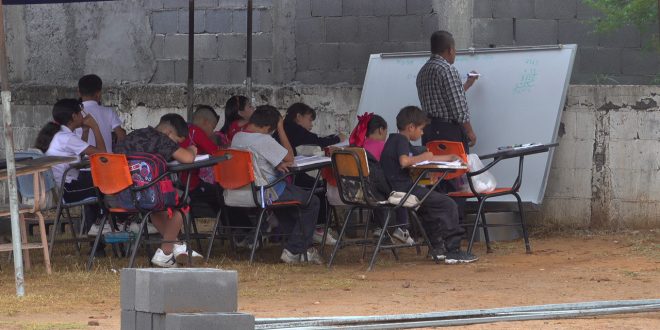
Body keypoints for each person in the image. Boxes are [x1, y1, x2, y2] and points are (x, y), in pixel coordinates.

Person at [380, 106, 478, 264]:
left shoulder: (394, 140)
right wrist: (423, 157)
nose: (422, 133)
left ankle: (437, 248)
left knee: (428, 208)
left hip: (398, 189)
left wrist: (449, 157)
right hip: (404, 190)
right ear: (411, 127)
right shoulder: (400, 141)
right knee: (448, 204)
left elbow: (426, 157)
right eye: (421, 129)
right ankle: (453, 250)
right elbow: (405, 161)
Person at [231, 105, 323, 264]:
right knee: (312, 201)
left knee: (288, 208)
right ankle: (294, 251)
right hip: (266, 192)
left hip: (241, 191)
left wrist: (276, 163)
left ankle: (303, 249)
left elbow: (258, 161)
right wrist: (281, 127)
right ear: (268, 127)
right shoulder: (263, 139)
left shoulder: (238, 137)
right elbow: (290, 158)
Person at [115, 113, 202, 268]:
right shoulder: (161, 139)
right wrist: (192, 150)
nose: (175, 145)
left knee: (157, 209)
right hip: (148, 195)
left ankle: (179, 247)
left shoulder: (131, 137)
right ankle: (166, 252)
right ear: (169, 133)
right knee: (183, 203)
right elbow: (187, 158)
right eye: (176, 141)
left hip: (122, 196)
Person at [34, 99, 106, 240]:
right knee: (105, 186)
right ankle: (101, 225)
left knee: (94, 181)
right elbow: (103, 154)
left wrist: (85, 131)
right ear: (74, 116)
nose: (83, 116)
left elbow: (77, 153)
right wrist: (96, 127)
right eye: (81, 113)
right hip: (65, 191)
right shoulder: (66, 137)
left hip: (56, 188)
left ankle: (96, 228)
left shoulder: (57, 134)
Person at [276, 102, 346, 245]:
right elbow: (317, 140)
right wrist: (339, 138)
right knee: (320, 187)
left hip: (284, 174)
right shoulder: (293, 128)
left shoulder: (285, 128)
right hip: (288, 176)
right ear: (299, 116)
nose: (311, 124)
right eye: (310, 120)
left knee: (316, 184)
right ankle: (319, 229)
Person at [350, 113, 413, 245]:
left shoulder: (357, 147)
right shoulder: (383, 146)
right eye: (386, 131)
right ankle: (402, 227)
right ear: (381, 130)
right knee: (399, 189)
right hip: (378, 192)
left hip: (359, 192)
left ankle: (380, 227)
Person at [416, 30, 478, 151]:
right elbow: (458, 110)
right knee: (454, 168)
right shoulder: (447, 70)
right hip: (448, 132)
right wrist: (470, 132)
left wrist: (467, 84)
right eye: (455, 50)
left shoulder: (422, 71)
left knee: (434, 168)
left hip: (428, 131)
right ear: (450, 49)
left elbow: (445, 98)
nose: (455, 53)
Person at [180, 105, 222, 215]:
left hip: (178, 183)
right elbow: (216, 152)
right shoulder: (196, 131)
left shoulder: (184, 129)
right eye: (212, 128)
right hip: (190, 185)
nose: (212, 132)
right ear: (205, 122)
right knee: (221, 194)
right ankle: (233, 227)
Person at [76, 74, 126, 152]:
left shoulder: (75, 113)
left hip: (83, 160)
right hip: (106, 159)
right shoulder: (109, 112)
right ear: (99, 93)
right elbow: (121, 136)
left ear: (79, 92)